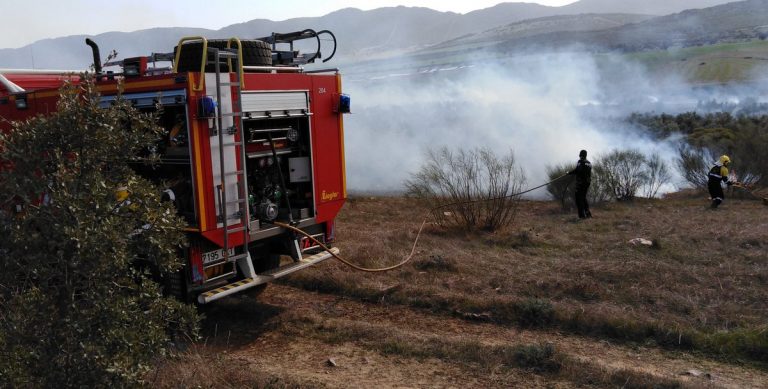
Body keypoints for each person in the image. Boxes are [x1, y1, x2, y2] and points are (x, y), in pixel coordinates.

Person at [568, 150, 592, 219]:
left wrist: (569, 173)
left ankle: (582, 216)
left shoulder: (580, 162)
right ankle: (588, 214)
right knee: (583, 198)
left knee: (579, 199)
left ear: (580, 155)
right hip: (587, 183)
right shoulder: (589, 163)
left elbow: (577, 170)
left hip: (581, 183)